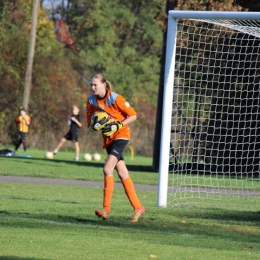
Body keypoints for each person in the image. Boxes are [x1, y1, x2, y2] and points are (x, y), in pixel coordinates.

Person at [87, 73, 146, 223]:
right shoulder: (91, 100)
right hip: (108, 139)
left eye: (95, 84)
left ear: (104, 85)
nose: (92, 87)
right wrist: (95, 125)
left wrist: (118, 124)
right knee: (122, 172)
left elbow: (133, 115)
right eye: (91, 85)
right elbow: (90, 124)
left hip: (121, 135)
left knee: (107, 169)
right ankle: (138, 207)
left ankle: (106, 210)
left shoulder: (115, 98)